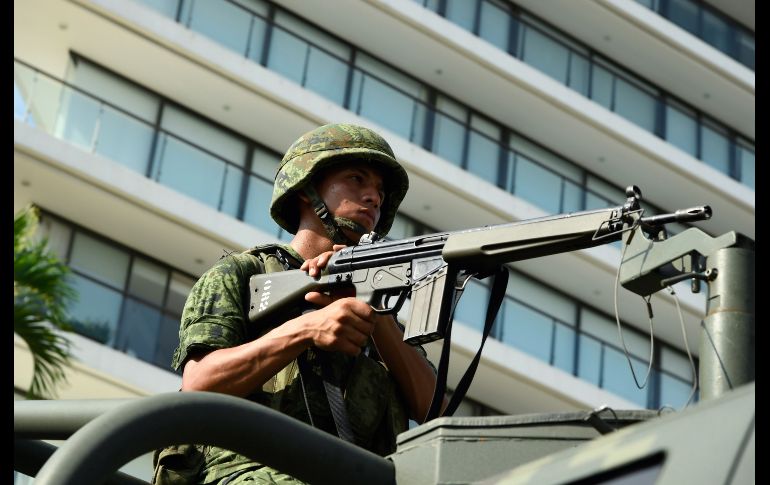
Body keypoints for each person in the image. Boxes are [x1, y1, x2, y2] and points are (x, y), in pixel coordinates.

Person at [152, 123, 441, 484]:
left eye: (380, 191)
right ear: (307, 189)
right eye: (356, 179)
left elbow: (434, 412)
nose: (373, 197)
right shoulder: (245, 273)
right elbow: (200, 383)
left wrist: (372, 305)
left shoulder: (381, 316)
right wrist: (306, 330)